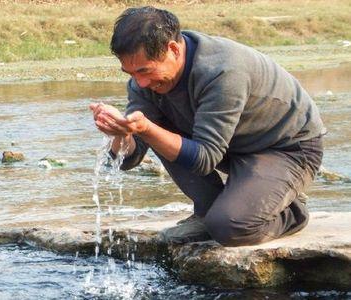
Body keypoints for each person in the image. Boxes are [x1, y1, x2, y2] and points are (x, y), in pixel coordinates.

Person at [89, 6, 324, 246]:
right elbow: (129, 159)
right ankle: (207, 209)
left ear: (172, 49)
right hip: (232, 145)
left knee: (229, 227)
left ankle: (292, 213)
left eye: (144, 71)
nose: (139, 82)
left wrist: (146, 129)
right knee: (156, 130)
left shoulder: (222, 71)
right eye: (129, 73)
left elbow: (205, 159)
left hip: (287, 149)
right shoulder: (142, 83)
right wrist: (121, 134)